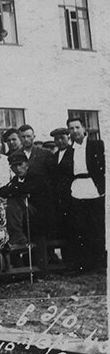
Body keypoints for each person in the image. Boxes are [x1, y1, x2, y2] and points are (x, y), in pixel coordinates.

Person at [64, 116, 105, 275]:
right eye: (71, 128)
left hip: (94, 189)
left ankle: (100, 263)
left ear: (84, 129)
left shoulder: (97, 145)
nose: (75, 131)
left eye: (77, 127)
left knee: (97, 227)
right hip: (77, 190)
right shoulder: (69, 150)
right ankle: (83, 264)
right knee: (80, 228)